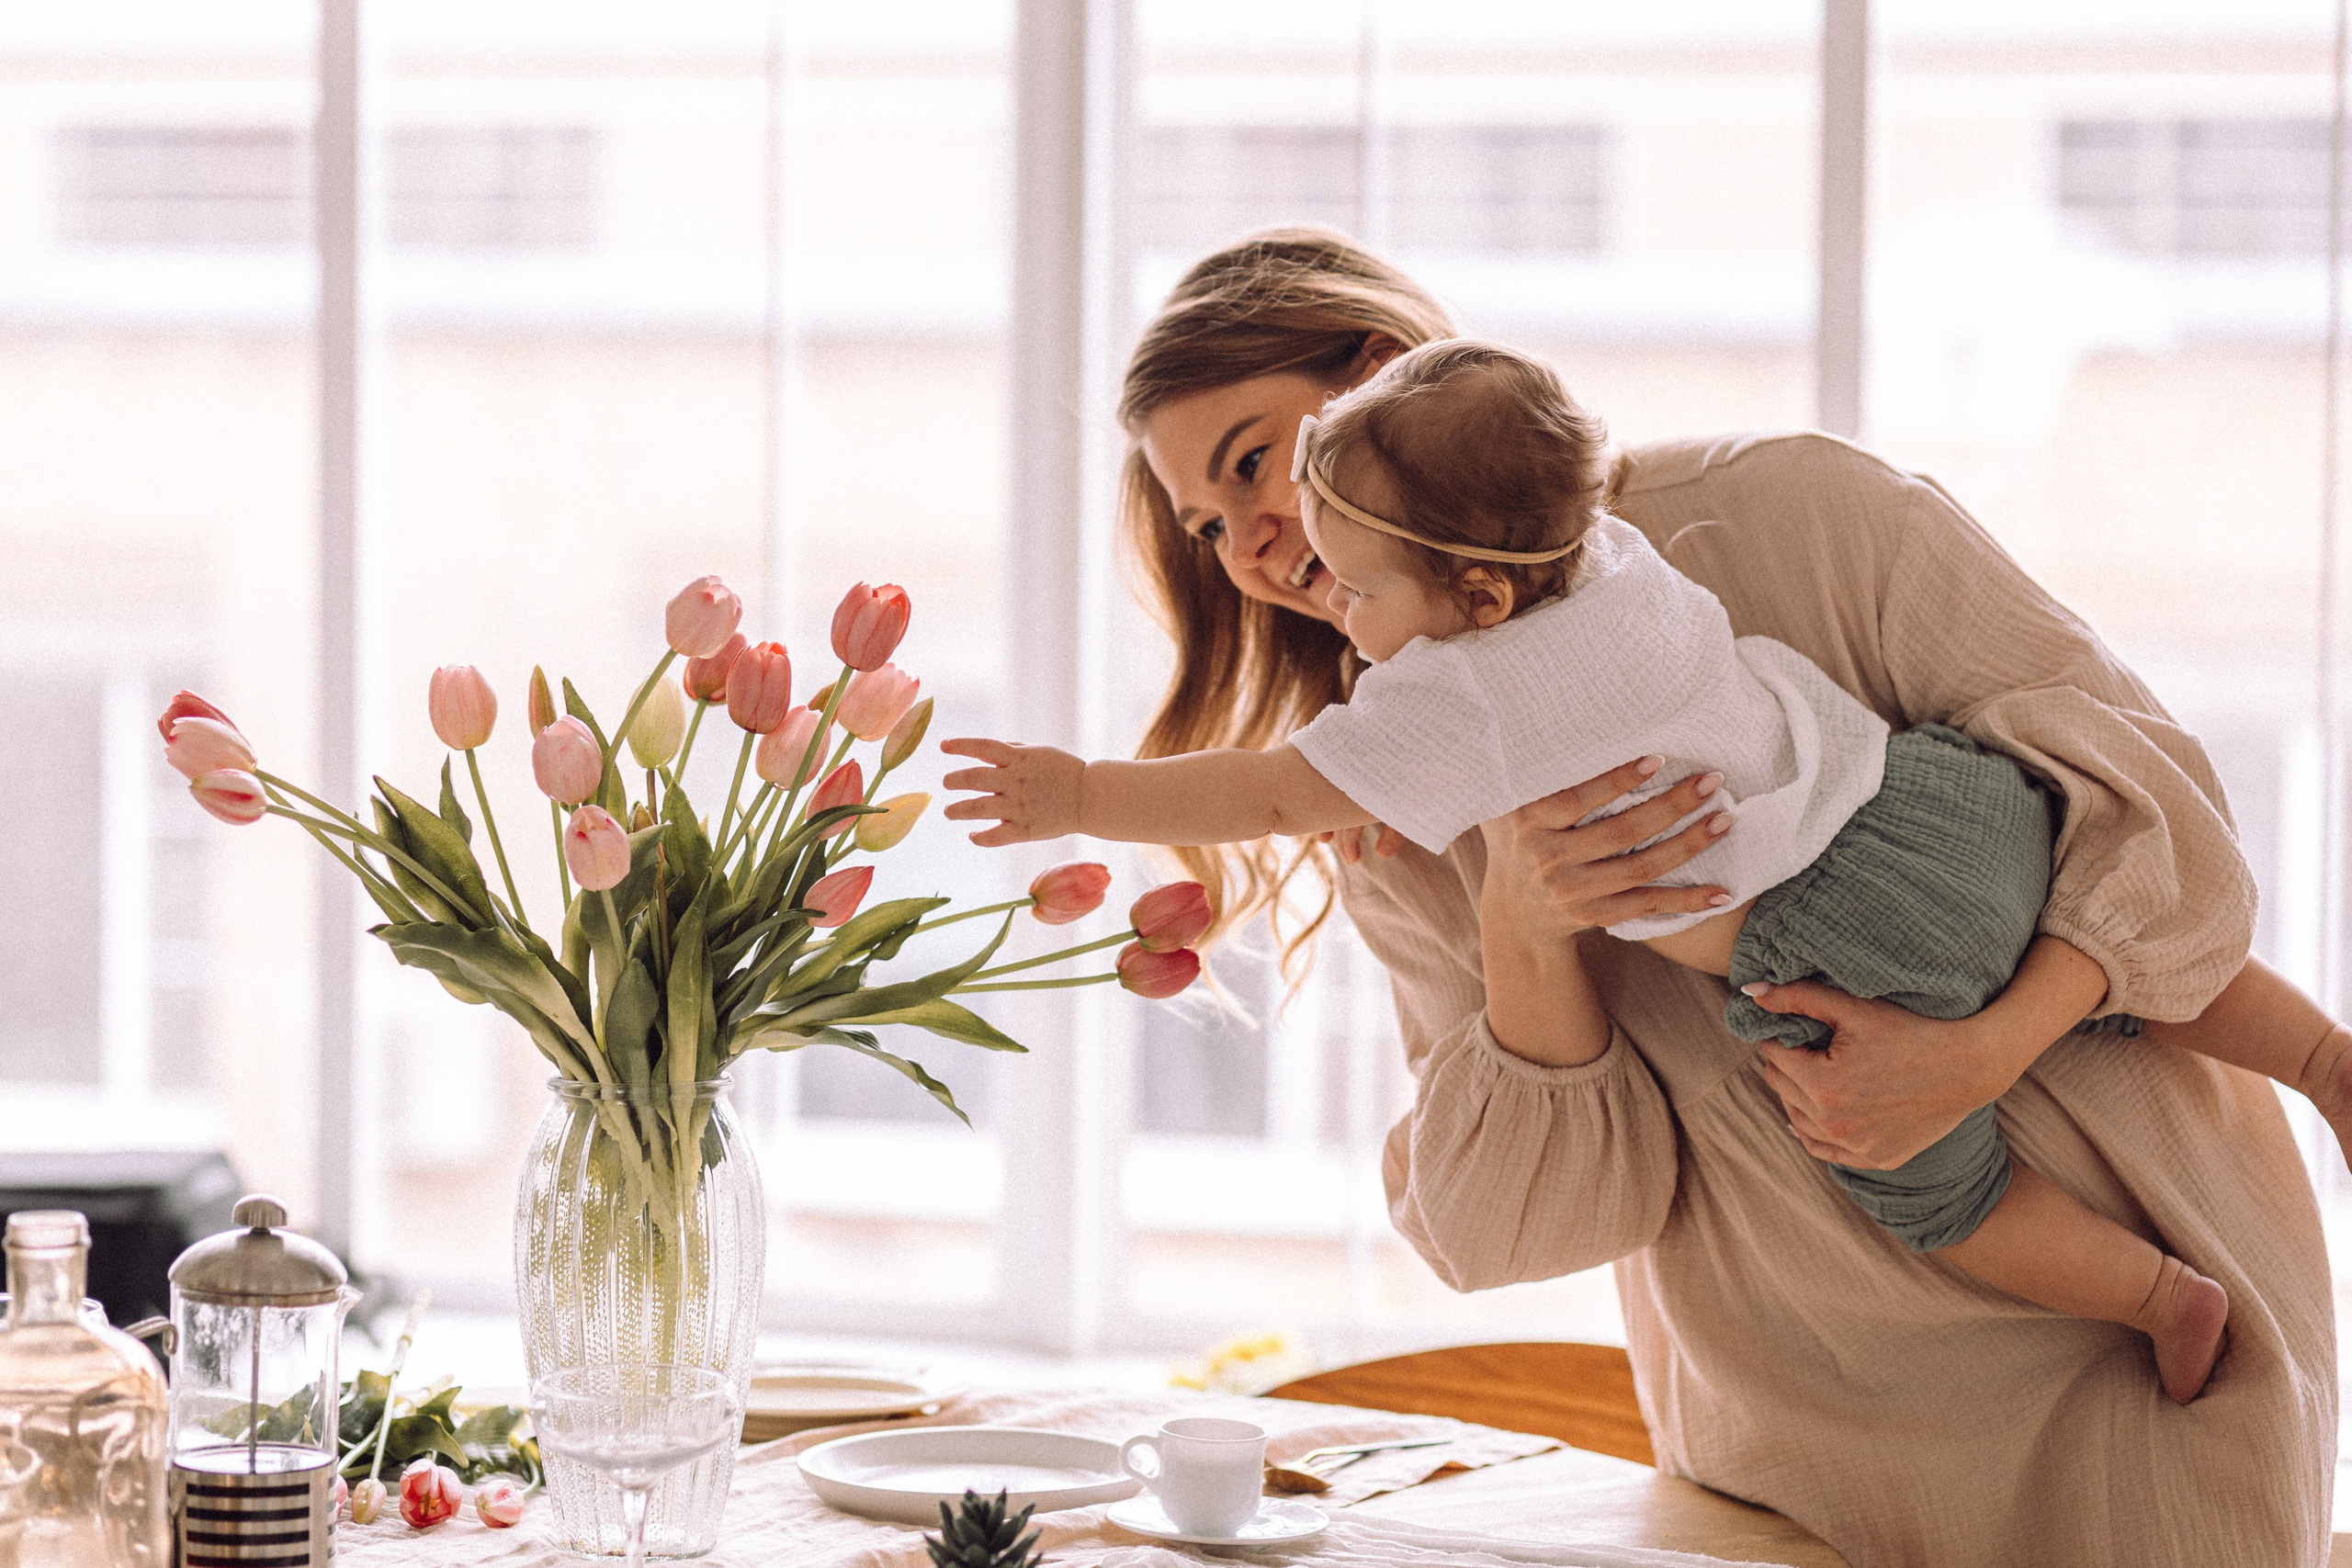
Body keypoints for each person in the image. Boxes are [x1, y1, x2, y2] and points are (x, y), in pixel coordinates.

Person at [979, 227, 2339, 1567]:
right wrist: (1526, 933)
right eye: (1208, 526)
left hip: (2146, 1404)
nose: (1253, 549)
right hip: (1782, 1471)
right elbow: (1529, 1226)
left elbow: (2160, 829)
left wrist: (1986, 1046)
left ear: (1382, 381)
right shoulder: (1401, 797)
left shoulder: (1795, 514)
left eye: (1253, 464)